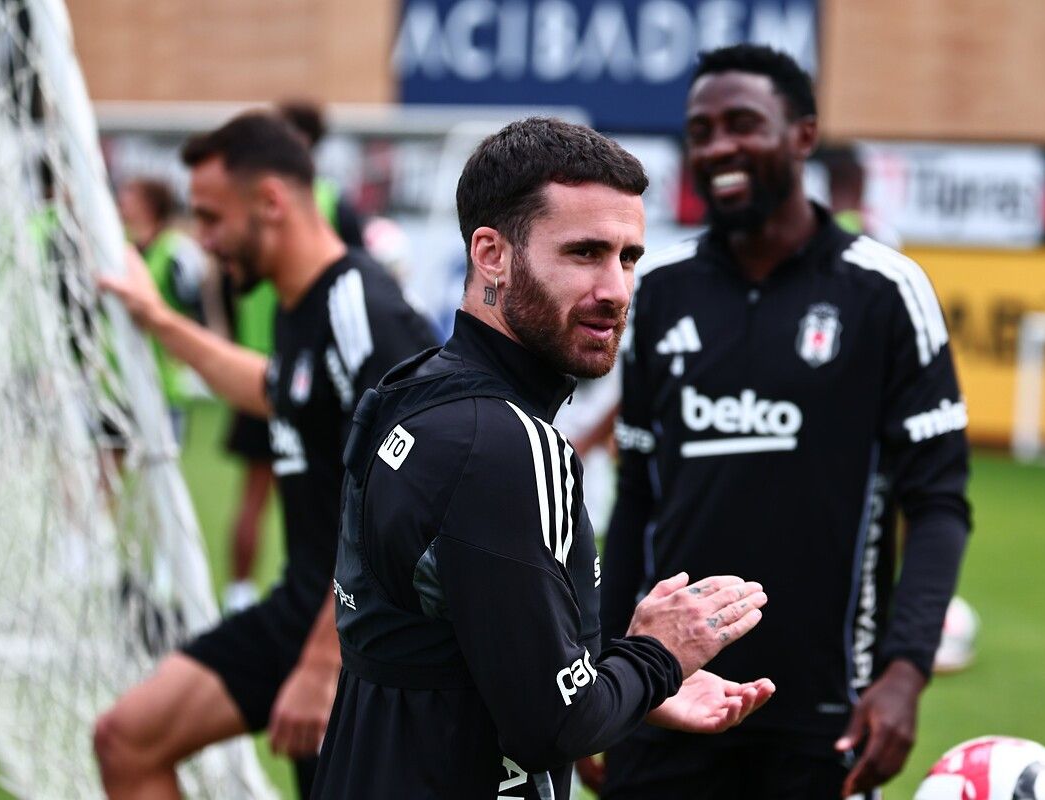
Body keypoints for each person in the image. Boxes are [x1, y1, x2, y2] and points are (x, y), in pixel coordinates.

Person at [311, 117, 775, 800]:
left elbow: (464, 655)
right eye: (585, 253)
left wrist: (628, 682)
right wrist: (657, 655)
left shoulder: (412, 392)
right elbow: (554, 725)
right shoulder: (503, 444)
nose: (616, 289)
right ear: (491, 254)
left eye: (628, 258)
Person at [596, 44, 971, 799]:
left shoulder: (885, 290)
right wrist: (606, 672)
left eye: (743, 124)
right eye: (701, 131)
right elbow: (637, 497)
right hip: (667, 696)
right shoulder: (659, 288)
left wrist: (905, 671)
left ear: (803, 135)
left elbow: (937, 503)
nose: (718, 147)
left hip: (827, 710)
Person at [92, 112, 437, 799]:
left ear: (271, 202)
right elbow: (274, 388)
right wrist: (159, 321)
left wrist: (323, 661)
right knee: (126, 739)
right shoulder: (293, 303)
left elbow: (413, 498)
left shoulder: (364, 309)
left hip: (366, 636)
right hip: (301, 606)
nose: (203, 239)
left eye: (211, 218)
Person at [218, 98, 370, 613]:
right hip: (262, 370)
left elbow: (355, 283)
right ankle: (242, 595)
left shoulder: (326, 204)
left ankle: (317, 598)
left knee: (317, 495)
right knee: (261, 492)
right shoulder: (301, 203)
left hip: (312, 373)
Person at [116, 177, 210, 441]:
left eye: (130, 195)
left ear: (150, 205)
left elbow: (194, 310)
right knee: (108, 457)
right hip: (117, 382)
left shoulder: (175, 251)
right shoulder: (115, 247)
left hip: (163, 382)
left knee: (162, 455)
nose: (121, 201)